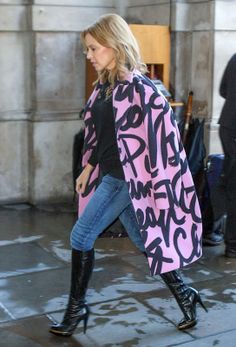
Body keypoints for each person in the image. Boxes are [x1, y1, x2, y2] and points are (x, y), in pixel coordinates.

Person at [49, 13, 207, 337]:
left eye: (93, 48)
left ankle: (75, 311)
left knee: (80, 237)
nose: (89, 56)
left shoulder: (142, 91)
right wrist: (88, 167)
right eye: (87, 50)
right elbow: (98, 134)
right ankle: (186, 295)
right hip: (108, 174)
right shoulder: (103, 88)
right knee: (142, 239)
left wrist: (161, 188)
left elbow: (168, 143)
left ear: (114, 45)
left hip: (125, 180)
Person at [209, 53, 236, 257]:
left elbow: (222, 90)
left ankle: (211, 227)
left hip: (228, 125)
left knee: (227, 181)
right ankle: (233, 243)